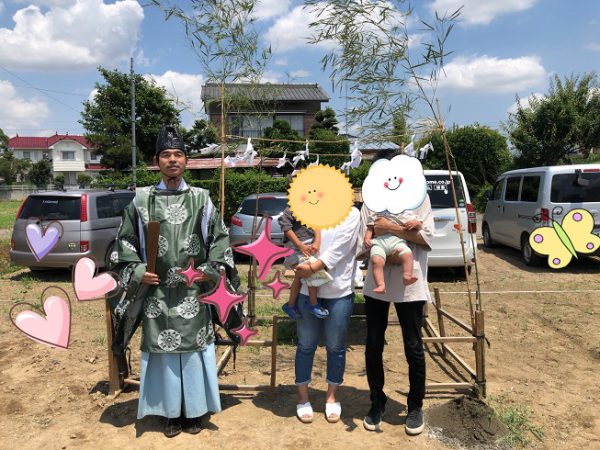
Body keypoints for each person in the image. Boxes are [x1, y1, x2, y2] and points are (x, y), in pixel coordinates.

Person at [111, 125, 236, 437]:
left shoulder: (202, 199)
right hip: (156, 292)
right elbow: (123, 243)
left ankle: (194, 411)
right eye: (165, 154)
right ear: (157, 161)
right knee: (163, 355)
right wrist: (138, 270)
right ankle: (170, 413)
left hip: (193, 290)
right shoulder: (140, 201)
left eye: (178, 154)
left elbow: (220, 240)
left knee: (193, 353)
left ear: (186, 160)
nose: (172, 159)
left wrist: (209, 269)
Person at [359, 149, 434, 436]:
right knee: (373, 343)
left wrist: (390, 228)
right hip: (376, 284)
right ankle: (376, 401)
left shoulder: (419, 197)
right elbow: (362, 244)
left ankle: (415, 406)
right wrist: (392, 240)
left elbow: (426, 237)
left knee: (413, 345)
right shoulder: (370, 200)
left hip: (410, 285)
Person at [293, 206, 360, 424]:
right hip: (307, 290)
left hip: (339, 291)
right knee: (305, 345)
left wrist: (314, 267)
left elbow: (340, 248)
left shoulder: (351, 213)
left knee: (336, 347)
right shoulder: (311, 208)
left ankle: (331, 396)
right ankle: (303, 397)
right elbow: (297, 236)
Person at [278, 206, 332, 320]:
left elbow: (316, 224)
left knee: (299, 277)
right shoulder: (290, 209)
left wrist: (317, 242)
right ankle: (313, 304)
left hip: (307, 246)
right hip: (295, 248)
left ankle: (291, 305)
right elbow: (286, 228)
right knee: (310, 274)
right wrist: (300, 245)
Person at [364, 209, 420, 293]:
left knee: (407, 253)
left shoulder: (406, 213)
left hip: (397, 241)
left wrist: (416, 224)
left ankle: (407, 276)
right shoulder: (377, 213)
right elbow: (370, 227)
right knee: (376, 261)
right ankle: (380, 285)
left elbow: (419, 225)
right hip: (379, 242)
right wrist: (367, 238)